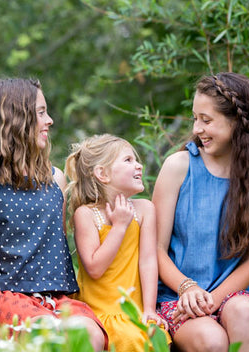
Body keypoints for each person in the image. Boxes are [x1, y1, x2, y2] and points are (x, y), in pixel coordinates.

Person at [0, 78, 108, 351]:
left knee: (90, 336)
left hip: (53, 297)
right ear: (14, 117)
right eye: (41, 112)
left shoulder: (55, 178)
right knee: (51, 336)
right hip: (0, 292)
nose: (50, 120)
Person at [153, 72, 249, 352]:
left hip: (234, 295)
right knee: (213, 341)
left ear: (237, 121)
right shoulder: (179, 167)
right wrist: (187, 288)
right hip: (178, 296)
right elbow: (155, 248)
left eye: (207, 119)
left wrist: (212, 301)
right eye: (195, 118)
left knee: (242, 312)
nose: (197, 128)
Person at [65, 134, 169, 350]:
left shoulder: (145, 209)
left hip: (134, 310)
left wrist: (149, 309)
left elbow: (148, 261)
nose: (139, 165)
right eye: (128, 160)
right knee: (126, 338)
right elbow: (94, 268)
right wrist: (120, 226)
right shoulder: (86, 214)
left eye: (136, 159)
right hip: (99, 310)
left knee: (156, 338)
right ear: (102, 173)